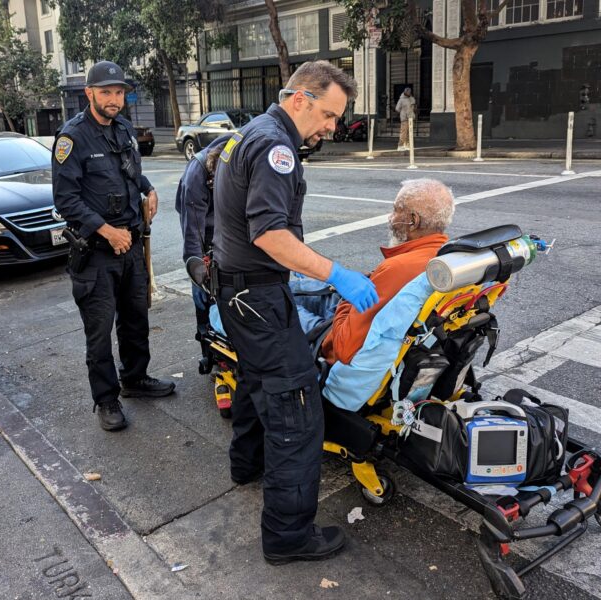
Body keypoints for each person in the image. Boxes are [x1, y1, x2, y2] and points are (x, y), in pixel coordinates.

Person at [212, 60, 378, 565]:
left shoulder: (248, 134)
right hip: (256, 294)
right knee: (296, 408)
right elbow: (270, 234)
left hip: (239, 292)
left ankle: (248, 464)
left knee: (257, 380)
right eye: (329, 114)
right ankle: (288, 536)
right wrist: (337, 274)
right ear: (301, 99)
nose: (332, 127)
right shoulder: (276, 147)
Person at [52, 60, 175, 432]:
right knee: (100, 330)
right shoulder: (72, 138)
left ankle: (135, 379)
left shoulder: (122, 128)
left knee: (136, 319)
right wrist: (107, 231)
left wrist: (148, 188)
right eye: (106, 92)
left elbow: (130, 171)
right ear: (88, 93)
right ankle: (106, 400)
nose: (114, 99)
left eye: (119, 92)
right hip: (97, 253)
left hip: (131, 246)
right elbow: (66, 200)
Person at [322, 178, 454, 364]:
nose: (390, 218)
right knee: (312, 285)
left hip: (338, 344)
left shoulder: (398, 268)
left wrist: (347, 297)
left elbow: (343, 349)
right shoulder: (448, 260)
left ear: (413, 221)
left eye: (395, 210)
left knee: (290, 304)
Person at [174, 134, 231, 360]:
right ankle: (207, 348)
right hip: (202, 227)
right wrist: (201, 272)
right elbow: (192, 238)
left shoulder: (240, 155)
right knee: (204, 291)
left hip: (227, 226)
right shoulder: (196, 177)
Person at [395, 87, 416, 151]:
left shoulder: (412, 98)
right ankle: (400, 145)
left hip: (411, 117)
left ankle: (407, 145)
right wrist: (403, 111)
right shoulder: (401, 100)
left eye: (410, 92)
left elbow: (414, 107)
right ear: (405, 92)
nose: (409, 93)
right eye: (407, 92)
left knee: (410, 132)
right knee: (403, 132)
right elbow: (397, 109)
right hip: (404, 118)